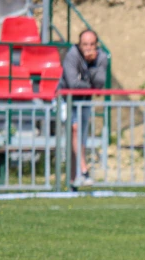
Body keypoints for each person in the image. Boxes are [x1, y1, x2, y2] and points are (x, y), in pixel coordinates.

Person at [60, 29, 108, 190]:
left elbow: (100, 84)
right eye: (85, 44)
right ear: (79, 44)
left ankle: (73, 180)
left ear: (96, 45)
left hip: (85, 101)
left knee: (80, 138)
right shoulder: (71, 55)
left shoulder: (101, 57)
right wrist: (90, 85)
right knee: (74, 130)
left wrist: (91, 65)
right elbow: (73, 83)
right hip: (65, 99)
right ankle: (84, 171)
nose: (88, 48)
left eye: (92, 44)